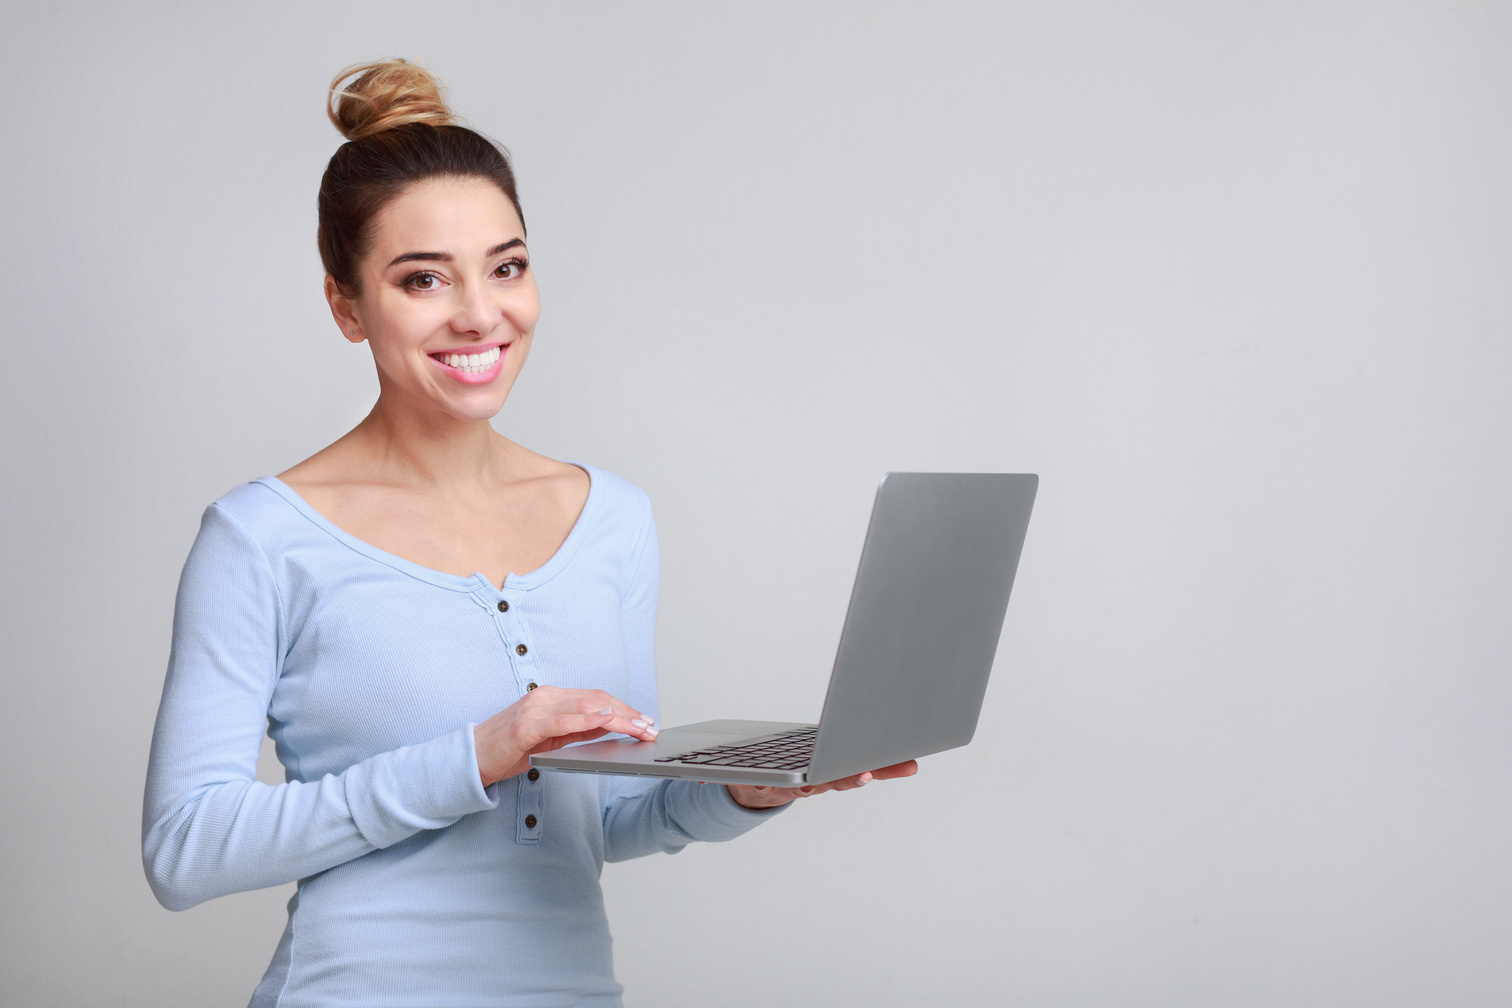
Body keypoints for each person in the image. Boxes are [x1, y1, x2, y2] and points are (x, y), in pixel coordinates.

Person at [142, 59, 916, 1007]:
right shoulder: (262, 537)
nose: (480, 313)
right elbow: (183, 850)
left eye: (506, 266)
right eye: (423, 279)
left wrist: (748, 789)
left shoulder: (613, 518)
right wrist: (474, 754)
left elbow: (613, 816)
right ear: (348, 306)